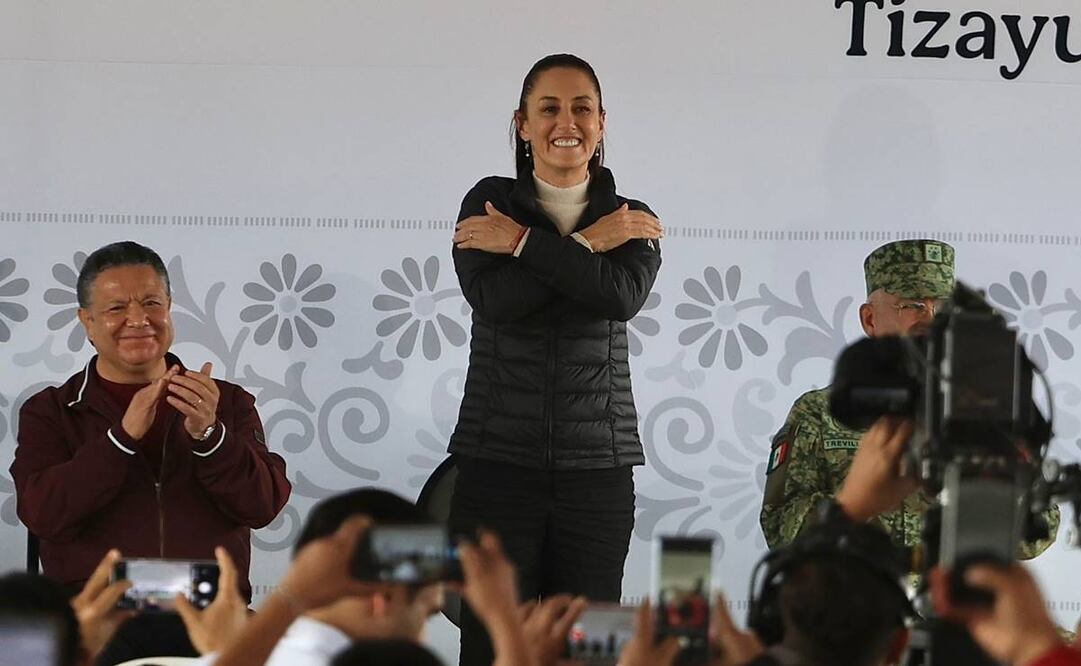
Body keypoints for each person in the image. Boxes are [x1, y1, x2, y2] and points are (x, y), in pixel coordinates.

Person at [448, 52, 663, 665]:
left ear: (601, 123)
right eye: (548, 108)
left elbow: (617, 297)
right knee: (492, 650)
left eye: (581, 108)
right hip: (496, 466)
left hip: (598, 470)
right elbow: (498, 301)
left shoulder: (630, 216)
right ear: (521, 124)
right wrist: (587, 244)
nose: (564, 121)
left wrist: (524, 249)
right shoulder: (490, 203)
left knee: (590, 653)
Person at [10, 241, 292, 660]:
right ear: (87, 322)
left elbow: (263, 504)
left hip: (210, 616)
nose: (138, 319)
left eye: (151, 303)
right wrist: (119, 441)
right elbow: (43, 514)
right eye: (116, 308)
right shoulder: (52, 411)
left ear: (170, 309)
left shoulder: (225, 402)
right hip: (99, 618)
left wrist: (210, 436)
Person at [759, 239, 1060, 554]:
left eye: (941, 307)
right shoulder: (823, 411)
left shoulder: (981, 408)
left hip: (950, 600)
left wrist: (980, 486)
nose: (929, 319)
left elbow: (1039, 529)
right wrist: (861, 503)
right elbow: (780, 528)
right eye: (912, 305)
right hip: (854, 597)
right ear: (870, 319)